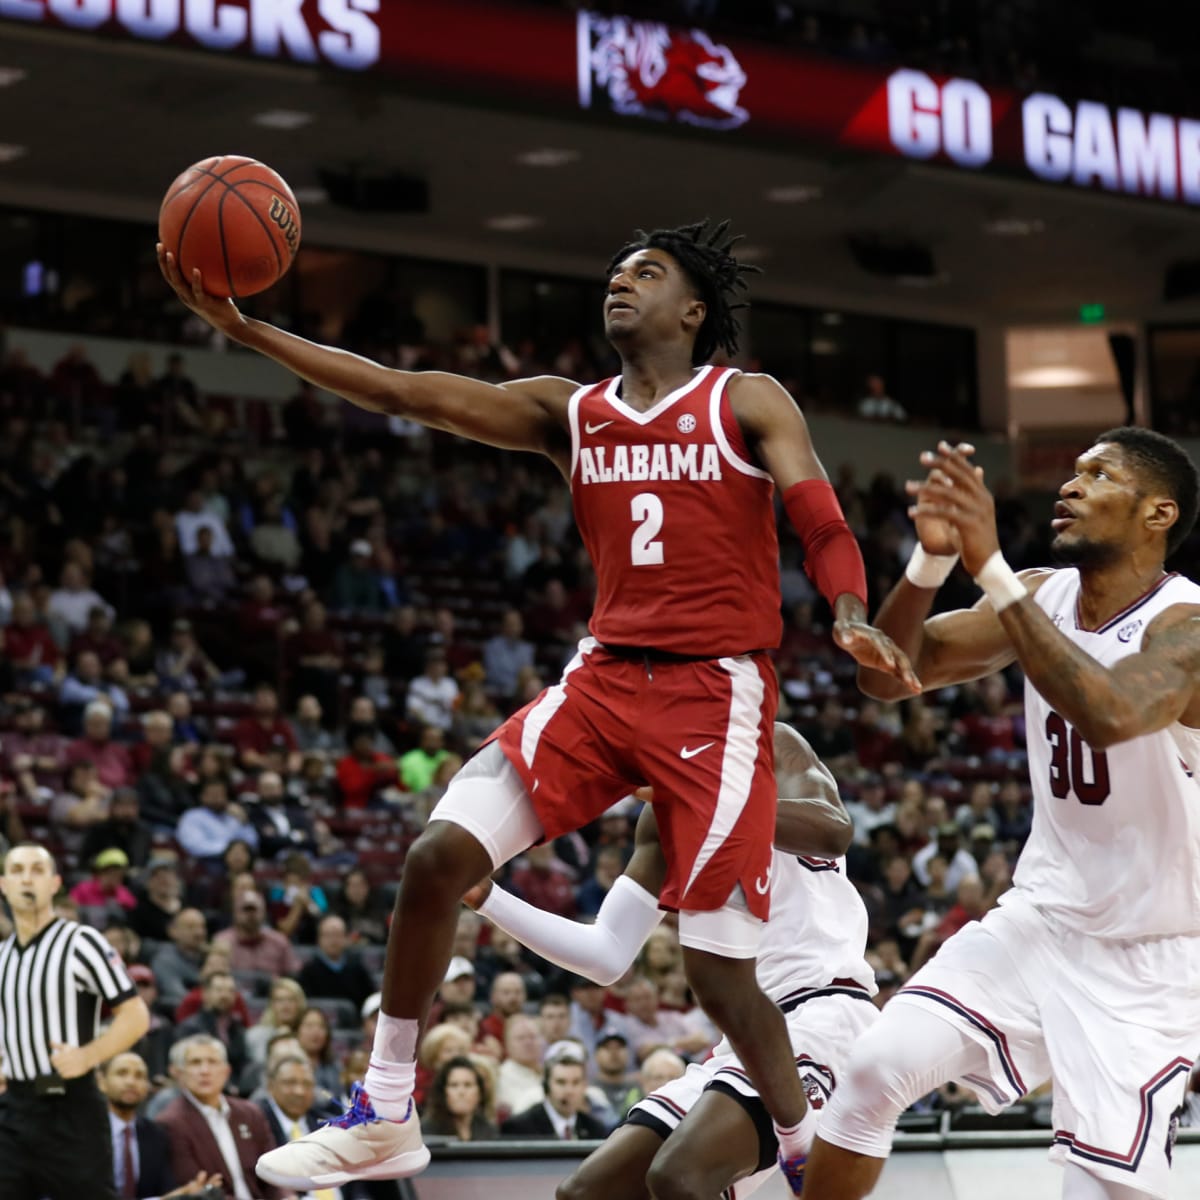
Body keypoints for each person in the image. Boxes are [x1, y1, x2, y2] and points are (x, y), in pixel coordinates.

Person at [161, 218, 915, 1193]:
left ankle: (806, 1152)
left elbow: (820, 519)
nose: (619, 279)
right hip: (602, 679)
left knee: (718, 973)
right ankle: (387, 1107)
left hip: (713, 688)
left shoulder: (746, 399)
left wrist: (849, 607)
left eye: (646, 271)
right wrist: (249, 330)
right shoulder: (573, 413)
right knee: (437, 858)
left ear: (693, 310)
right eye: (613, 267)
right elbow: (400, 391)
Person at [803, 430, 1200, 1200]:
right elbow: (888, 678)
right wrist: (935, 562)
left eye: (1098, 474)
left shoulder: (1186, 626)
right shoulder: (1042, 592)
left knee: (1105, 1192)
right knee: (873, 1071)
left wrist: (991, 570)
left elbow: (1113, 712)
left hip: (1153, 957)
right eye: (1073, 470)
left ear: (1159, 514)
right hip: (1041, 923)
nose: (1072, 485)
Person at [471, 724, 876, 1199]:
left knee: (678, 1178)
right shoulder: (659, 818)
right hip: (744, 1038)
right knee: (587, 1192)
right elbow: (605, 955)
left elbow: (833, 831)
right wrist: (488, 898)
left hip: (825, 1012)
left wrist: (705, 804)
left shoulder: (768, 743)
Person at [0, 842, 151, 1200]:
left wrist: (88, 1056)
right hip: (14, 1109)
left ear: (54, 883)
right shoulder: (2, 957)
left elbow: (136, 1016)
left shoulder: (81, 941)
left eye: (37, 870)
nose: (27, 879)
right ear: (3, 884)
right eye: (17, 870)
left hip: (72, 1107)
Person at [157, 1034, 281, 1200]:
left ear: (226, 1071)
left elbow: (275, 1171)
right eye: (195, 1063)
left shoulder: (251, 1113)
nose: (205, 1071)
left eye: (212, 1062)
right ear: (178, 1072)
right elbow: (199, 1190)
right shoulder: (171, 1122)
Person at [98, 1050, 221, 1199]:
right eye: (122, 1073)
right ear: (101, 1082)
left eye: (139, 1076)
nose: (131, 1081)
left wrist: (187, 1193)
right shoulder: (84, 1133)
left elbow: (165, 1190)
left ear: (147, 1086)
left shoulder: (155, 1134)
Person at [500, 1048, 607, 1140]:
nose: (569, 1091)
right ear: (546, 1086)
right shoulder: (518, 1128)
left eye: (576, 1082)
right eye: (561, 1082)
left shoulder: (596, 1130)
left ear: (584, 1087)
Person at [421, 1054, 498, 1141]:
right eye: (454, 1085)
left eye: (468, 1085)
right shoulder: (427, 1130)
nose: (461, 1092)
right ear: (443, 1092)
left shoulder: (488, 1130)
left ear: (479, 1092)